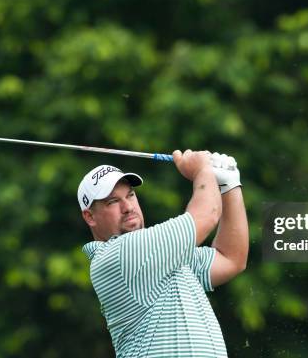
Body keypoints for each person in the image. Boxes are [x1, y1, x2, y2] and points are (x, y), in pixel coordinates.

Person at [77, 149, 249, 357]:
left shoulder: (162, 256)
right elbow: (206, 216)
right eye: (112, 202)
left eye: (130, 195)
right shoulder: (118, 256)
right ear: (90, 217)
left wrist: (229, 187)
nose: (128, 207)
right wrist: (202, 170)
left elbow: (231, 259)